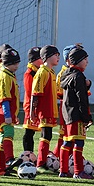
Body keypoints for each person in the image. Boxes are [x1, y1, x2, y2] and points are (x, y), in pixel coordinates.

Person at [58, 47, 93, 179]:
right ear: (78, 61)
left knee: (67, 142)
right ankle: (78, 172)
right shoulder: (79, 76)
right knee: (79, 142)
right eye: (85, 59)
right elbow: (81, 99)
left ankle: (63, 170)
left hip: (67, 114)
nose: (87, 62)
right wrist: (86, 117)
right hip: (77, 114)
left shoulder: (66, 74)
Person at [30, 45, 60, 173]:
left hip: (51, 110)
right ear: (47, 57)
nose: (58, 58)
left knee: (48, 135)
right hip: (44, 111)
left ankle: (44, 161)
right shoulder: (42, 72)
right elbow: (35, 94)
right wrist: (32, 112)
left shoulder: (51, 72)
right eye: (55, 55)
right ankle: (40, 163)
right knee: (45, 134)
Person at [0, 48, 23, 175]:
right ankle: (9, 159)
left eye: (17, 63)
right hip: (3, 113)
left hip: (8, 113)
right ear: (5, 63)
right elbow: (4, 98)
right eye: (13, 63)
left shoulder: (10, 75)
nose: (16, 66)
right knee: (9, 133)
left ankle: (0, 169)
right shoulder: (4, 76)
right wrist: (7, 115)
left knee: (2, 140)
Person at [22, 47, 43, 152]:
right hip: (30, 106)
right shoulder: (29, 73)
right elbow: (30, 91)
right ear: (34, 60)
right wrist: (31, 108)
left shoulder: (39, 71)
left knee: (33, 131)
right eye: (41, 58)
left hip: (37, 105)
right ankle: (28, 153)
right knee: (29, 131)